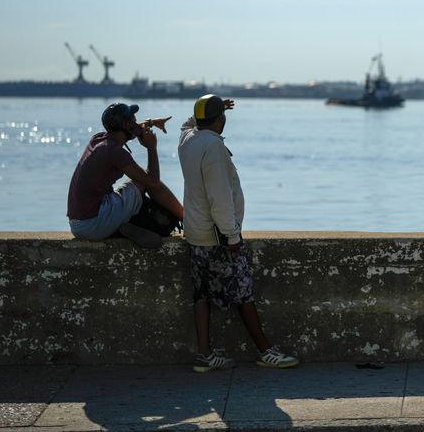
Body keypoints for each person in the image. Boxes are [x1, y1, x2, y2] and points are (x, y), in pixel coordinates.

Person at [178, 94, 298, 373]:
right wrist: (232, 237)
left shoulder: (188, 140)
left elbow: (187, 123)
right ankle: (266, 351)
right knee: (243, 293)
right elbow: (219, 197)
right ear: (221, 120)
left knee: (202, 294)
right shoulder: (213, 148)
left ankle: (205, 356)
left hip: (195, 233)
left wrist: (211, 109)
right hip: (217, 237)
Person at [67, 103, 184, 249]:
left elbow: (128, 128)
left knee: (138, 182)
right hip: (93, 225)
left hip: (78, 225)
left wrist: (152, 122)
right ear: (126, 124)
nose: (136, 122)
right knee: (143, 182)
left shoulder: (98, 139)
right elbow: (153, 182)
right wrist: (151, 148)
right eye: (133, 120)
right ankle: (186, 219)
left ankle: (118, 228)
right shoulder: (114, 152)